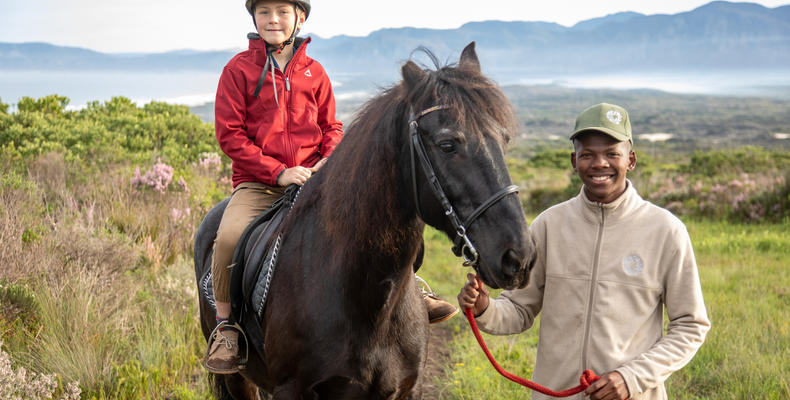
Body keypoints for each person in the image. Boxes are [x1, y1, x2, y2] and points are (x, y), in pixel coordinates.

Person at [206, 0, 455, 375]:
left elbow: (332, 127)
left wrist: (328, 161)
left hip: (317, 179)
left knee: (382, 222)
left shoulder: (314, 72)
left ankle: (411, 290)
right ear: (254, 18)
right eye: (264, 13)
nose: (273, 20)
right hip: (259, 184)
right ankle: (227, 327)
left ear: (299, 18)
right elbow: (230, 135)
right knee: (228, 237)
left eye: (282, 12)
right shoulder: (237, 71)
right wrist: (278, 172)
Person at [458, 103, 710, 400]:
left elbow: (690, 325)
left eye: (611, 154)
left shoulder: (667, 231)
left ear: (630, 160)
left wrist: (631, 378)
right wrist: (485, 308)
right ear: (573, 160)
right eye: (588, 154)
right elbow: (519, 309)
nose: (599, 163)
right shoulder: (549, 225)